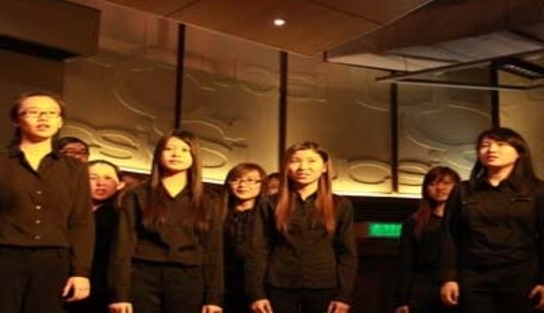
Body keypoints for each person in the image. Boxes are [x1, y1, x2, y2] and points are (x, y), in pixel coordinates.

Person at [439, 127, 544, 313]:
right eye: (485, 145)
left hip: (522, 277)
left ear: (519, 152)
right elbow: (450, 236)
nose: (491, 150)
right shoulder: (463, 190)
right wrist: (448, 278)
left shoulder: (538, 190)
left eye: (500, 144)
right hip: (474, 277)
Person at [108, 129, 223, 313]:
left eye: (184, 150)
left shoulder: (208, 199)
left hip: (189, 278)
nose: (176, 154)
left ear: (194, 156)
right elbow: (123, 245)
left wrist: (214, 297)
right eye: (169, 149)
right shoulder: (137, 194)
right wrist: (119, 294)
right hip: (142, 276)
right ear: (158, 154)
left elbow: (213, 250)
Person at [0, 91, 94, 313]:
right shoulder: (3, 163)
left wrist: (80, 272)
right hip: (5, 257)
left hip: (53, 261)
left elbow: (80, 221)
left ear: (60, 121)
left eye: (52, 113)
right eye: (34, 112)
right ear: (16, 120)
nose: (44, 118)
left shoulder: (74, 169)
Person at [247, 141, 357, 313]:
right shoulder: (269, 204)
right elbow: (259, 249)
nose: (303, 167)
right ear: (286, 167)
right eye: (295, 160)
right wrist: (256, 293)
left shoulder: (340, 204)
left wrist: (343, 296)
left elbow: (347, 253)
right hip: (278, 286)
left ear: (324, 167)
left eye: (311, 161)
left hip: (324, 286)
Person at [395, 166, 461, 313]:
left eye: (446, 183)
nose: (440, 188)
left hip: (460, 288)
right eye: (433, 184)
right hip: (424, 289)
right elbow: (406, 263)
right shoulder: (415, 222)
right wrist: (403, 300)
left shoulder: (467, 219)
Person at [70, 160, 125, 313]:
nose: (100, 183)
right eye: (93, 178)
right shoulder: (67, 213)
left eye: (108, 178)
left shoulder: (122, 218)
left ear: (120, 184)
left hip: (103, 287)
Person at [223, 162, 268, 313]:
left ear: (262, 184)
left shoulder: (268, 216)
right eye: (236, 180)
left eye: (250, 180)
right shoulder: (218, 214)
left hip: (260, 286)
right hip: (225, 284)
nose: (242, 184)